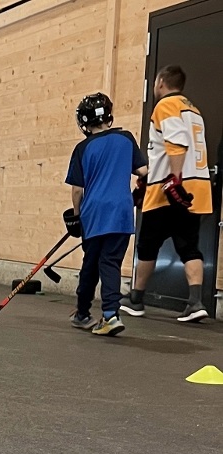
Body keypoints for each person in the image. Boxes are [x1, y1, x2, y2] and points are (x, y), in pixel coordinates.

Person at [122, 65, 215, 323]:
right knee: (189, 246)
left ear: (161, 81)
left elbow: (177, 143)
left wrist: (173, 181)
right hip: (195, 189)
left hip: (169, 191)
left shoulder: (166, 105)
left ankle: (136, 299)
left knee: (148, 245)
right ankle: (196, 302)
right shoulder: (193, 110)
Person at [64, 92, 147, 337]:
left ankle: (94, 314)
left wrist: (77, 216)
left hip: (94, 213)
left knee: (91, 264)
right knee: (110, 262)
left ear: (85, 122)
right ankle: (103, 313)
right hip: (121, 213)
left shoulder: (83, 148)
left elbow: (78, 189)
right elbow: (143, 170)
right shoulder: (126, 138)